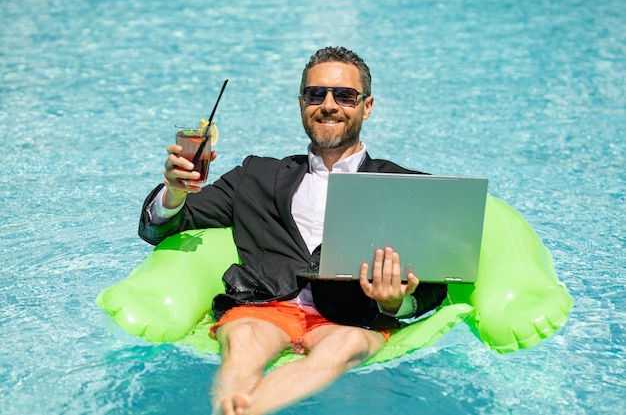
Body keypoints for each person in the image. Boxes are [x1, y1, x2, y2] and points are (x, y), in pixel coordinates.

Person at [139, 46, 447, 415]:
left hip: (349, 318)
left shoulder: (406, 186)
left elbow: (435, 286)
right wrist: (174, 190)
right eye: (316, 94)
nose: (329, 105)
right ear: (302, 103)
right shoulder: (255, 176)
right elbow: (163, 228)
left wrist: (393, 302)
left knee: (343, 347)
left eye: (345, 95)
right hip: (263, 308)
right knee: (245, 340)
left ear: (367, 106)